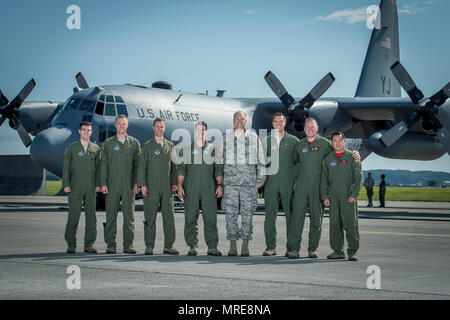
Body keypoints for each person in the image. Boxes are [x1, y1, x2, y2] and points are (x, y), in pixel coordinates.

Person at [288, 118, 360, 259]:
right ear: (303, 128)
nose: (310, 129)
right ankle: (294, 248)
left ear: (317, 128)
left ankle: (312, 249)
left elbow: (339, 149)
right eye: (307, 127)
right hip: (301, 187)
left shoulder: (325, 144)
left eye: (312, 126)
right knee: (297, 219)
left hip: (318, 187)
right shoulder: (299, 144)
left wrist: (355, 154)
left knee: (316, 220)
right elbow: (292, 160)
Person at [218, 110, 266, 257]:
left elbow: (261, 160)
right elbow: (219, 161)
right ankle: (233, 245)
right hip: (230, 184)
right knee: (230, 215)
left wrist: (260, 181)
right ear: (233, 120)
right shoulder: (225, 137)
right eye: (236, 118)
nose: (239, 120)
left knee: (247, 215)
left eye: (242, 118)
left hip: (248, 184)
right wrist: (220, 181)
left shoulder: (253, 137)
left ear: (246, 121)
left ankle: (245, 245)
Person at [177, 121, 223, 256]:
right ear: (194, 131)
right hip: (191, 188)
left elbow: (218, 170)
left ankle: (212, 246)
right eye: (198, 129)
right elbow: (181, 170)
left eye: (203, 129)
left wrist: (220, 185)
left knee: (210, 218)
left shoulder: (213, 149)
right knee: (190, 218)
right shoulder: (186, 149)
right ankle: (192, 245)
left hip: (209, 188)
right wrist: (179, 186)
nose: (200, 132)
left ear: (206, 132)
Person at [137, 118, 179, 255]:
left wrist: (175, 183)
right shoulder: (147, 146)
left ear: (164, 128)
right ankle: (149, 246)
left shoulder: (171, 146)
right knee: (150, 216)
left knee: (169, 216)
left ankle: (168, 245)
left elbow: (174, 167)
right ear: (153, 128)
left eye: (162, 127)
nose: (159, 129)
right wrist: (142, 185)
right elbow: (141, 168)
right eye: (157, 127)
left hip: (167, 187)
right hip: (151, 186)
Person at [100, 115, 141, 254]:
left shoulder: (134, 143)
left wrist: (137, 183)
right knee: (111, 215)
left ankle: (128, 245)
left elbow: (138, 166)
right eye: (119, 123)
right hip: (112, 184)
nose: (121, 126)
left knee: (129, 215)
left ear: (127, 125)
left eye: (124, 123)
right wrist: (103, 183)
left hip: (129, 185)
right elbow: (103, 165)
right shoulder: (108, 143)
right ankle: (110, 245)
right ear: (115, 125)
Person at [321, 132, 362, 261]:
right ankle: (338, 251)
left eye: (340, 140)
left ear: (345, 142)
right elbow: (324, 180)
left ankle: (352, 251)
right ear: (331, 143)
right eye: (334, 141)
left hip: (348, 197)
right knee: (335, 225)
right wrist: (325, 196)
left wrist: (354, 195)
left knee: (350, 224)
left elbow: (359, 177)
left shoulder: (352, 157)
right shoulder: (328, 159)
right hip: (333, 197)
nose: (337, 143)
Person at [262, 113, 299, 256]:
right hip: (271, 183)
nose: (278, 123)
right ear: (272, 123)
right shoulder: (266, 141)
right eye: (276, 121)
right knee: (269, 216)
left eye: (281, 121)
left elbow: (300, 161)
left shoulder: (293, 141)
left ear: (285, 123)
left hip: (288, 183)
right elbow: (261, 161)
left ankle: (291, 247)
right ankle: (270, 247)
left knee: (291, 216)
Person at [62, 121, 100, 254]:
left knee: (91, 216)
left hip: (90, 186)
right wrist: (66, 184)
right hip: (75, 186)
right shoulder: (72, 148)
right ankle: (71, 244)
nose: (86, 132)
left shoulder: (95, 149)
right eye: (83, 130)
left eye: (88, 130)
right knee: (73, 216)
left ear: (91, 132)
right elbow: (66, 167)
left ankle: (89, 244)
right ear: (79, 131)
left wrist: (98, 184)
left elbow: (99, 169)